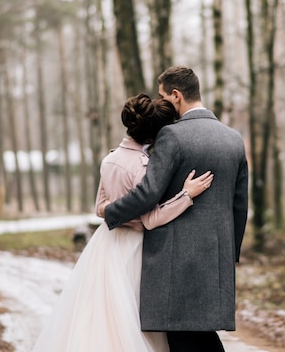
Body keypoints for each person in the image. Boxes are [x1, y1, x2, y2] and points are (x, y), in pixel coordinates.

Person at [31, 94, 214, 352]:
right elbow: (150, 220)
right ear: (154, 136)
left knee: (102, 315)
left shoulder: (109, 160)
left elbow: (100, 208)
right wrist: (186, 195)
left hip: (106, 243)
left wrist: (123, 217)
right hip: (134, 249)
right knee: (133, 317)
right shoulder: (143, 167)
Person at [102, 66, 249, 352]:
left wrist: (111, 211)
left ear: (176, 95)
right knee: (203, 335)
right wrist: (230, 252)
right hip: (216, 257)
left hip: (174, 258)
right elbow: (239, 204)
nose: (160, 105)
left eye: (163, 97)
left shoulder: (172, 136)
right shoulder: (234, 138)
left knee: (182, 339)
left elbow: (148, 193)